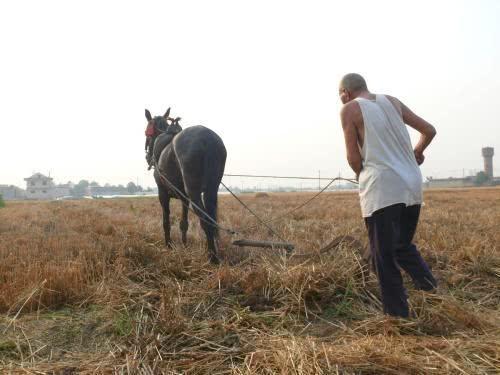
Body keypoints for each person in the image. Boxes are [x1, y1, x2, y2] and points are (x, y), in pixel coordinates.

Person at [338, 73, 437, 318]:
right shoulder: (392, 101)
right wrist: (417, 152)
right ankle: (431, 290)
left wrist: (363, 175)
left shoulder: (349, 109)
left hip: (382, 187)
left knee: (383, 255)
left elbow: (352, 157)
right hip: (412, 183)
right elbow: (429, 130)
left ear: (345, 93)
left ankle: (398, 316)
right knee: (402, 246)